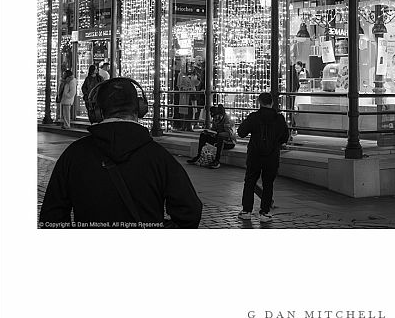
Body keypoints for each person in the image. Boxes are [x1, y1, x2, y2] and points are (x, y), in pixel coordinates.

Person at [39, 77, 202, 228]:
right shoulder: (159, 157)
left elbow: (51, 216)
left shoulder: (73, 155)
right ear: (140, 109)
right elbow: (190, 212)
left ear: (97, 112)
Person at [237, 92, 289, 223]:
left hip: (254, 155)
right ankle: (264, 212)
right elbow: (285, 137)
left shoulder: (254, 117)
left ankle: (246, 210)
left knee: (250, 181)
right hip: (271, 156)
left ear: (259, 102)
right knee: (268, 184)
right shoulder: (279, 119)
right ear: (272, 102)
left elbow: (241, 132)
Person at [187, 104, 236, 169]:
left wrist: (218, 134)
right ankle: (198, 156)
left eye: (216, 116)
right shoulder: (215, 119)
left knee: (220, 138)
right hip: (218, 138)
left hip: (229, 142)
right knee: (203, 135)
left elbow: (230, 134)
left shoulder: (228, 120)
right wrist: (209, 132)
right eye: (213, 117)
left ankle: (217, 161)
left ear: (220, 115)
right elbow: (213, 130)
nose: (214, 119)